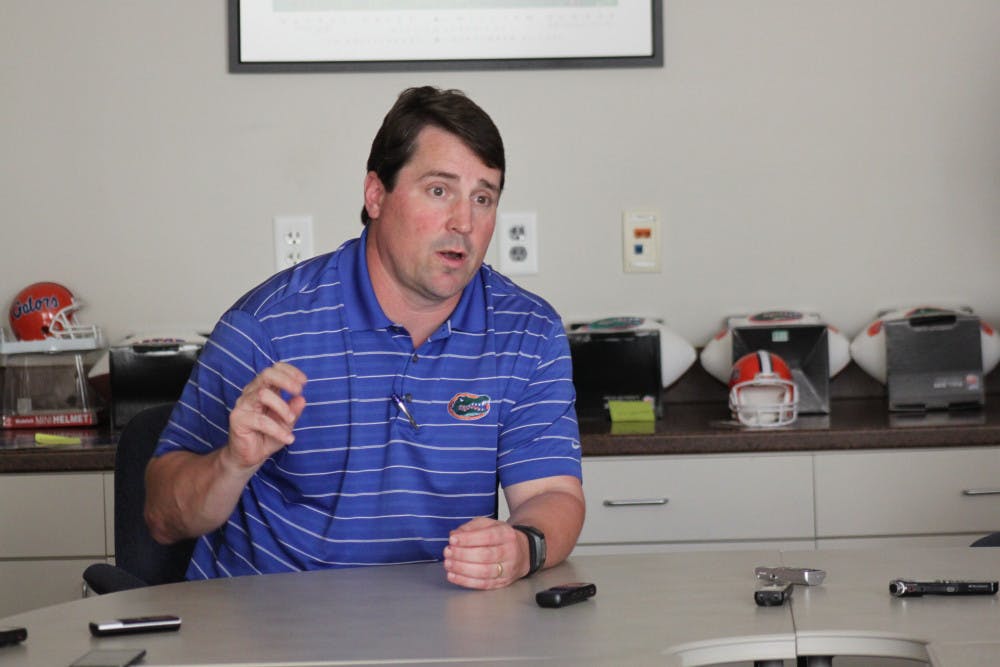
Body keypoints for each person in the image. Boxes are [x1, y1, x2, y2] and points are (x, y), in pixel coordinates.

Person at [144, 86, 585, 590]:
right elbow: (161, 517)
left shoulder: (527, 332)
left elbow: (554, 496)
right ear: (376, 194)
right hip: (271, 631)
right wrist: (231, 464)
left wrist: (523, 546)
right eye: (439, 191)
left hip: (442, 627)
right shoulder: (265, 326)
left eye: (482, 198)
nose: (464, 222)